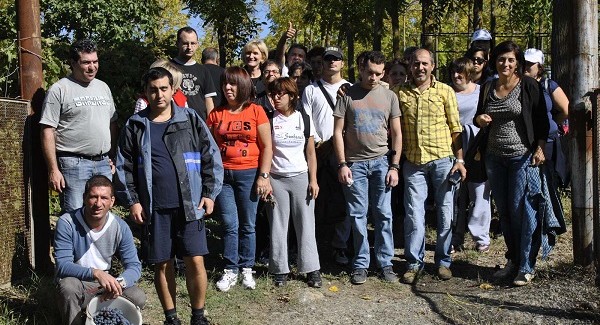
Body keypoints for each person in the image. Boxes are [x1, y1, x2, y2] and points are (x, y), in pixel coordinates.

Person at [115, 67, 223, 324]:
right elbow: (124, 168)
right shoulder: (135, 125)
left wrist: (209, 194)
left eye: (164, 89)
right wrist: (134, 201)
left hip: (190, 204)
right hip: (154, 208)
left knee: (195, 260)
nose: (159, 94)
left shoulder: (191, 119)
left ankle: (198, 316)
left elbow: (211, 157)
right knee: (162, 264)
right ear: (146, 93)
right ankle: (171, 317)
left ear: (173, 90)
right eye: (153, 90)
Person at [474, 40, 551, 286]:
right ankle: (513, 260)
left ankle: (527, 265)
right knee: (505, 213)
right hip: (494, 157)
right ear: (494, 62)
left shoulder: (528, 86)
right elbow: (478, 117)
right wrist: (480, 119)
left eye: (510, 59)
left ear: (517, 62)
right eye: (501, 59)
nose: (505, 64)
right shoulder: (487, 87)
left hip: (522, 157)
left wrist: (540, 147)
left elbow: (541, 121)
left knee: (522, 211)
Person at [333, 51, 402, 285]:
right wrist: (342, 163)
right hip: (355, 164)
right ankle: (361, 263)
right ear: (362, 69)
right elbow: (337, 132)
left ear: (383, 73)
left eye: (378, 73)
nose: (373, 77)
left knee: (384, 214)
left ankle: (385, 263)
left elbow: (397, 134)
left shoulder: (390, 96)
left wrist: (394, 166)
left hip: (382, 162)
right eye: (370, 72)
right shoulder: (347, 94)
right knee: (357, 215)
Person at [396, 48, 464, 284]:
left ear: (432, 66)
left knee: (445, 213)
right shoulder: (399, 93)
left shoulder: (445, 91)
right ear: (410, 66)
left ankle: (444, 262)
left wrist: (460, 160)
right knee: (414, 215)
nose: (420, 68)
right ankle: (414, 263)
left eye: (425, 64)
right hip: (413, 162)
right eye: (416, 64)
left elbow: (456, 128)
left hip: (443, 160)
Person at [207, 67, 273, 292]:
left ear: (243, 86)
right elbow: (210, 148)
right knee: (228, 224)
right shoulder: (216, 114)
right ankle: (230, 269)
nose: (227, 88)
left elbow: (267, 147)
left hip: (249, 174)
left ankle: (247, 268)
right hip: (223, 177)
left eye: (233, 84)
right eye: (225, 83)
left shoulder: (256, 111)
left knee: (248, 224)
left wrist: (264, 176)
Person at [54, 175, 146, 325]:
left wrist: (118, 284)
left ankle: (97, 315)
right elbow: (62, 265)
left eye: (104, 198)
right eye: (93, 197)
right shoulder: (67, 222)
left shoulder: (120, 226)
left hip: (104, 287)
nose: (98, 203)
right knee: (68, 287)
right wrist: (96, 273)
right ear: (84, 198)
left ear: (112, 201)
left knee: (137, 296)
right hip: (79, 283)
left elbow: (134, 266)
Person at [40, 38, 117, 214]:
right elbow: (47, 131)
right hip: (73, 164)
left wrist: (112, 156)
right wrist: (53, 169)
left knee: (101, 215)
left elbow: (112, 123)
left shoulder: (103, 87)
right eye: (86, 62)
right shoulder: (59, 89)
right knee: (75, 215)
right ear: (73, 63)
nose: (92, 67)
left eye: (95, 61)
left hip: (103, 163)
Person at [267, 77, 322, 288]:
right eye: (274, 93)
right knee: (278, 225)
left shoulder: (304, 119)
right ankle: (279, 269)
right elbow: (266, 150)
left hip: (301, 177)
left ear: (292, 96)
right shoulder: (269, 119)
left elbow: (310, 152)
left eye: (281, 93)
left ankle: (311, 269)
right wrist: (265, 179)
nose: (276, 97)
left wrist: (313, 179)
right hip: (276, 178)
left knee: (306, 224)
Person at [302, 46, 352, 266]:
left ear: (342, 63)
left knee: (345, 201)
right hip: (318, 151)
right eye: (328, 58)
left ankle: (340, 246)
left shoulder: (352, 88)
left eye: (337, 59)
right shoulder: (311, 90)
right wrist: (315, 146)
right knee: (314, 199)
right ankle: (313, 246)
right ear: (321, 63)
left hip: (344, 151)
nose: (332, 62)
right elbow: (306, 120)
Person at [449, 58, 492, 253]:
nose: (457, 76)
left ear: (469, 74)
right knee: (455, 193)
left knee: (479, 190)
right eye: (454, 72)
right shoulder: (446, 91)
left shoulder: (481, 91)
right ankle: (454, 236)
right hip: (452, 143)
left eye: (461, 73)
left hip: (476, 144)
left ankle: (481, 237)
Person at [172, 26, 217, 120]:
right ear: (177, 44)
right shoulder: (169, 67)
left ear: (197, 44)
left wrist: (210, 125)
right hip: (176, 121)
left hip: (200, 122)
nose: (189, 47)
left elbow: (208, 100)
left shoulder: (203, 70)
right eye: (185, 43)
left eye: (193, 43)